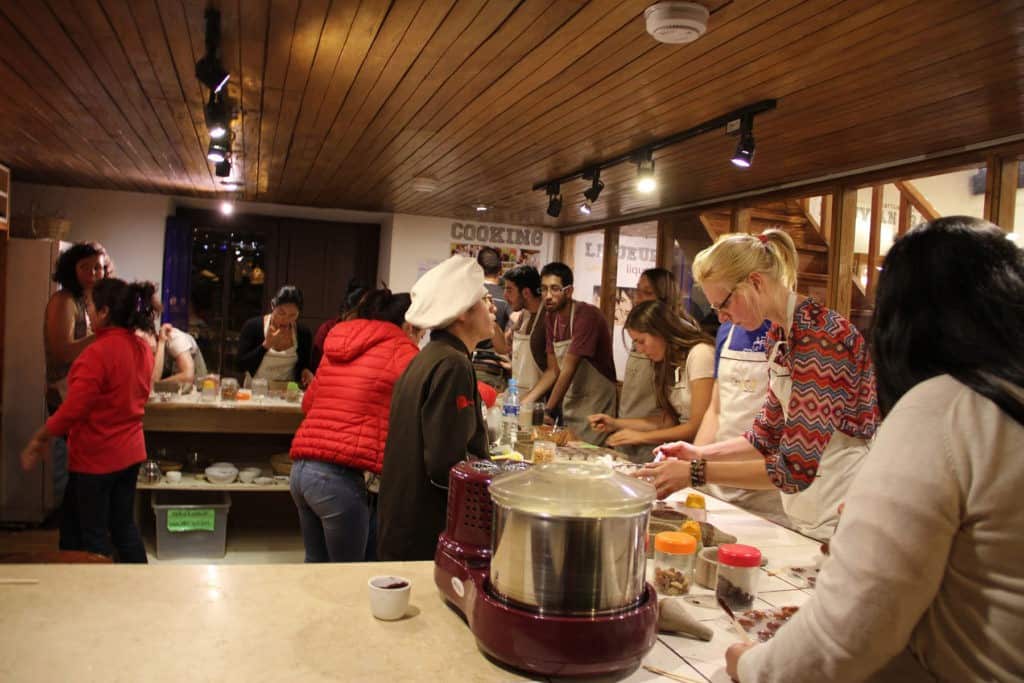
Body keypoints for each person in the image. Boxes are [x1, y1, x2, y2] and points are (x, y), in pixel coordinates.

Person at [726, 217, 1024, 682]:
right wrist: (699, 459)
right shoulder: (1002, 402)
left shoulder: (943, 409)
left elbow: (851, 630)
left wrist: (752, 667)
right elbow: (765, 432)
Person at [642, 229, 879, 541]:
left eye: (723, 305)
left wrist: (695, 473)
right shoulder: (778, 335)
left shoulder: (822, 339)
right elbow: (764, 435)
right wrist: (698, 452)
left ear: (754, 282)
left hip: (839, 510)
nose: (723, 319)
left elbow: (795, 468)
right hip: (806, 508)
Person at [21, 278, 156, 563]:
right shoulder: (142, 348)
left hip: (97, 457)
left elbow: (73, 410)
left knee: (92, 535)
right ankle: (142, 589)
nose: (88, 312)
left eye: (91, 307)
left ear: (105, 312)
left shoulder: (95, 354)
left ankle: (94, 595)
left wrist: (40, 436)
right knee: (122, 526)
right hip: (130, 453)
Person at [377, 256, 495, 561]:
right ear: (462, 315)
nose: (492, 307)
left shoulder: (432, 355)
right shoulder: (452, 364)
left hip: (403, 519)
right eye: (484, 300)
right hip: (425, 526)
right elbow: (447, 462)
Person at [289, 289, 421, 563]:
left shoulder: (338, 344)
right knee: (350, 577)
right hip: (339, 479)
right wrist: (489, 394)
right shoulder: (403, 350)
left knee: (315, 566)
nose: (420, 340)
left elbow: (308, 404)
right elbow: (438, 385)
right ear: (409, 326)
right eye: (421, 333)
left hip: (302, 473)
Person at [691, 319, 789, 526]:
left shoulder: (789, 335)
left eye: (724, 303)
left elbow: (790, 460)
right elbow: (715, 410)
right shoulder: (726, 330)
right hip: (718, 482)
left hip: (769, 493)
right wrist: (692, 460)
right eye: (715, 308)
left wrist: (696, 470)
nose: (719, 316)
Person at [43, 242, 112, 516]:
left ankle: (79, 530)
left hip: (80, 395)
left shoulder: (87, 301)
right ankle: (69, 533)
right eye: (86, 267)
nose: (95, 273)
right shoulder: (63, 301)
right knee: (70, 472)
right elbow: (62, 352)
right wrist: (102, 335)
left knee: (83, 472)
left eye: (98, 267)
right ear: (72, 270)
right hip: (62, 396)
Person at [589, 301, 715, 449]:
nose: (640, 349)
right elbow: (668, 421)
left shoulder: (700, 354)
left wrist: (642, 437)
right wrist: (615, 424)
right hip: (685, 451)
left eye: (641, 341)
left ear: (661, 331)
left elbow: (697, 426)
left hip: (706, 450)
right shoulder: (667, 364)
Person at [522, 262, 617, 445]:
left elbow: (569, 368)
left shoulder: (587, 316)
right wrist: (524, 404)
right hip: (572, 401)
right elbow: (553, 371)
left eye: (555, 289)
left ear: (569, 291)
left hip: (595, 405)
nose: (548, 296)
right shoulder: (551, 317)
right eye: (544, 289)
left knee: (588, 456)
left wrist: (547, 411)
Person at [618, 268, 681, 462]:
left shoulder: (679, 343)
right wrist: (617, 423)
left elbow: (672, 417)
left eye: (647, 293)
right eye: (637, 291)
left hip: (656, 442)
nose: (638, 298)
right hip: (630, 431)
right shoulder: (641, 334)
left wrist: (641, 434)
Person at [237, 285, 314, 387]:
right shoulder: (252, 326)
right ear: (273, 306)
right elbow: (240, 366)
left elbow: (304, 365)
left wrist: (305, 372)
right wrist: (265, 345)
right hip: (255, 390)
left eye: (292, 315)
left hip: (288, 394)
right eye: (281, 313)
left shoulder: (303, 333)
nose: (286, 320)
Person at [502, 264, 546, 398]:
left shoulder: (547, 317)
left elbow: (553, 371)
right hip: (518, 397)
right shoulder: (523, 316)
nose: (504, 296)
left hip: (538, 401)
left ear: (526, 293)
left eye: (509, 290)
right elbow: (504, 346)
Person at [471, 246, 511, 390]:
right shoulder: (507, 297)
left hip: (468, 366)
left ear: (478, 268)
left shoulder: (470, 295)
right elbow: (508, 341)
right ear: (500, 270)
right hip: (494, 370)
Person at [148, 295, 207, 385]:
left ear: (152, 334)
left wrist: (157, 386)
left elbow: (187, 376)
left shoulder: (174, 337)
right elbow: (152, 380)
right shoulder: (152, 349)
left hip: (197, 389)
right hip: (174, 392)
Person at [310, 278, 366, 372]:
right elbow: (315, 366)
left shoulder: (370, 333)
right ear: (345, 311)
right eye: (358, 316)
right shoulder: (328, 328)